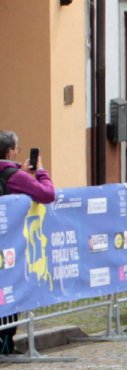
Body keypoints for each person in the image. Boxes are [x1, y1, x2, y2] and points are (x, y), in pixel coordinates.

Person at [0, 130, 55, 357]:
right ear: (10, 151)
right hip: (10, 248)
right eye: (17, 149)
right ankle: (5, 343)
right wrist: (40, 171)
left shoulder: (14, 175)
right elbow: (47, 194)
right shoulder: (14, 176)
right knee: (10, 294)